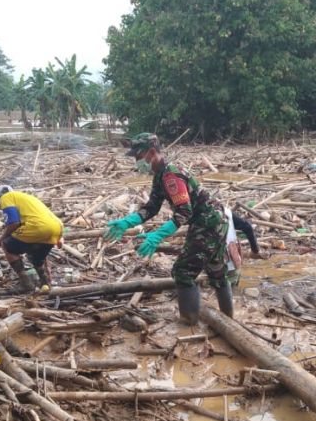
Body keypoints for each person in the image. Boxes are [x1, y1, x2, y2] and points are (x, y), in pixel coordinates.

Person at [104, 133, 232, 322]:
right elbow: (151, 208)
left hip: (208, 222)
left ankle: (189, 323)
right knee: (216, 270)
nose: (137, 162)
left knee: (183, 272)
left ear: (152, 152)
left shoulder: (171, 175)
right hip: (213, 220)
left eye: (139, 157)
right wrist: (127, 222)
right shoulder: (160, 175)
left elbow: (184, 212)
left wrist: (157, 235)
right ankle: (229, 320)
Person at [0, 185, 63, 293]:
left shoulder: (5, 197)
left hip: (38, 227)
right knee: (36, 254)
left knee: (6, 244)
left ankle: (26, 284)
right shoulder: (26, 198)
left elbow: (14, 223)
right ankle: (46, 283)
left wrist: (1, 238)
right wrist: (59, 236)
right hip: (56, 227)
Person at [224, 208, 264, 287]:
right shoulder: (225, 211)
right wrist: (255, 250)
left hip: (211, 262)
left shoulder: (197, 214)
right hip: (231, 258)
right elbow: (247, 227)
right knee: (230, 286)